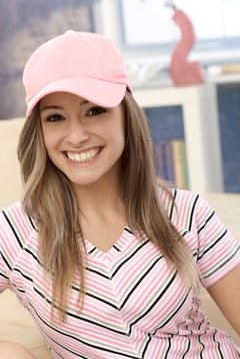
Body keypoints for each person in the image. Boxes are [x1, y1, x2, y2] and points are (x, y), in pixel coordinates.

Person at [0, 30, 240, 359]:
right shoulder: (15, 232)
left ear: (126, 115)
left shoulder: (187, 213)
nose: (77, 135)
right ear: (39, 132)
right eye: (55, 117)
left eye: (95, 111)